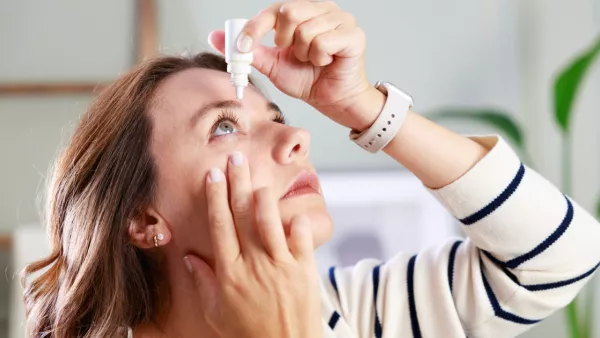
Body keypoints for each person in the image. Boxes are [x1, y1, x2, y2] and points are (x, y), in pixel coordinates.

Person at [21, 1, 600, 337]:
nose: (297, 136)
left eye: (275, 114)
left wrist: (368, 109)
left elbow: (561, 259)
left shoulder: (354, 310)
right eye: (224, 126)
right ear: (144, 217)